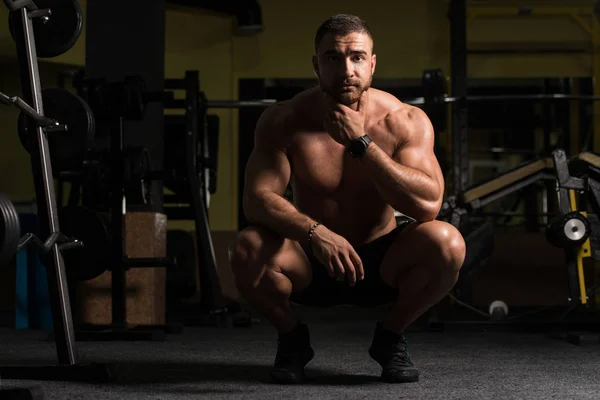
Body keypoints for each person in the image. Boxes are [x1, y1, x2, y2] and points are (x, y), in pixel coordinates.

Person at [229, 14, 466, 384]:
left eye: (356, 57)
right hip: (312, 257)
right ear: (316, 64)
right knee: (246, 246)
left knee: (448, 243)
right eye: (333, 58)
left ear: (372, 63)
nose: (346, 70)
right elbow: (257, 200)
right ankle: (292, 338)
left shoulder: (404, 120)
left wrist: (362, 145)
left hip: (382, 260)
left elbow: (428, 205)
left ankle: (389, 337)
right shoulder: (284, 119)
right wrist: (315, 232)